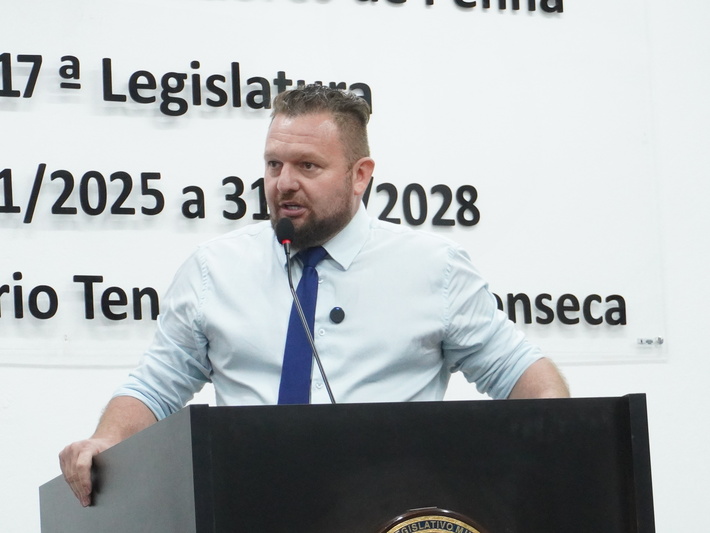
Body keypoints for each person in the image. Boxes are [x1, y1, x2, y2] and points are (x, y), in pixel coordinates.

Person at [59, 85, 569, 507]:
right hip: (249, 508)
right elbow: (155, 386)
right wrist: (107, 441)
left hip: (391, 511)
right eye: (273, 164)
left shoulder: (434, 269)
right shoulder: (214, 269)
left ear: (360, 175)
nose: (284, 183)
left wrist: (557, 450)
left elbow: (521, 374)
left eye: (307, 166)